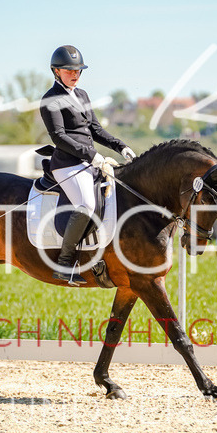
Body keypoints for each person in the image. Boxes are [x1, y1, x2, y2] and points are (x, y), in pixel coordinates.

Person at [39, 45, 136, 284]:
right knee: (86, 203)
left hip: (88, 161)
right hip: (66, 164)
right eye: (69, 70)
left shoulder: (82, 95)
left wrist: (120, 146)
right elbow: (59, 137)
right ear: (56, 71)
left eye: (78, 70)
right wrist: (90, 154)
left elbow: (95, 129)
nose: (75, 74)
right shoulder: (50, 99)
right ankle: (64, 262)